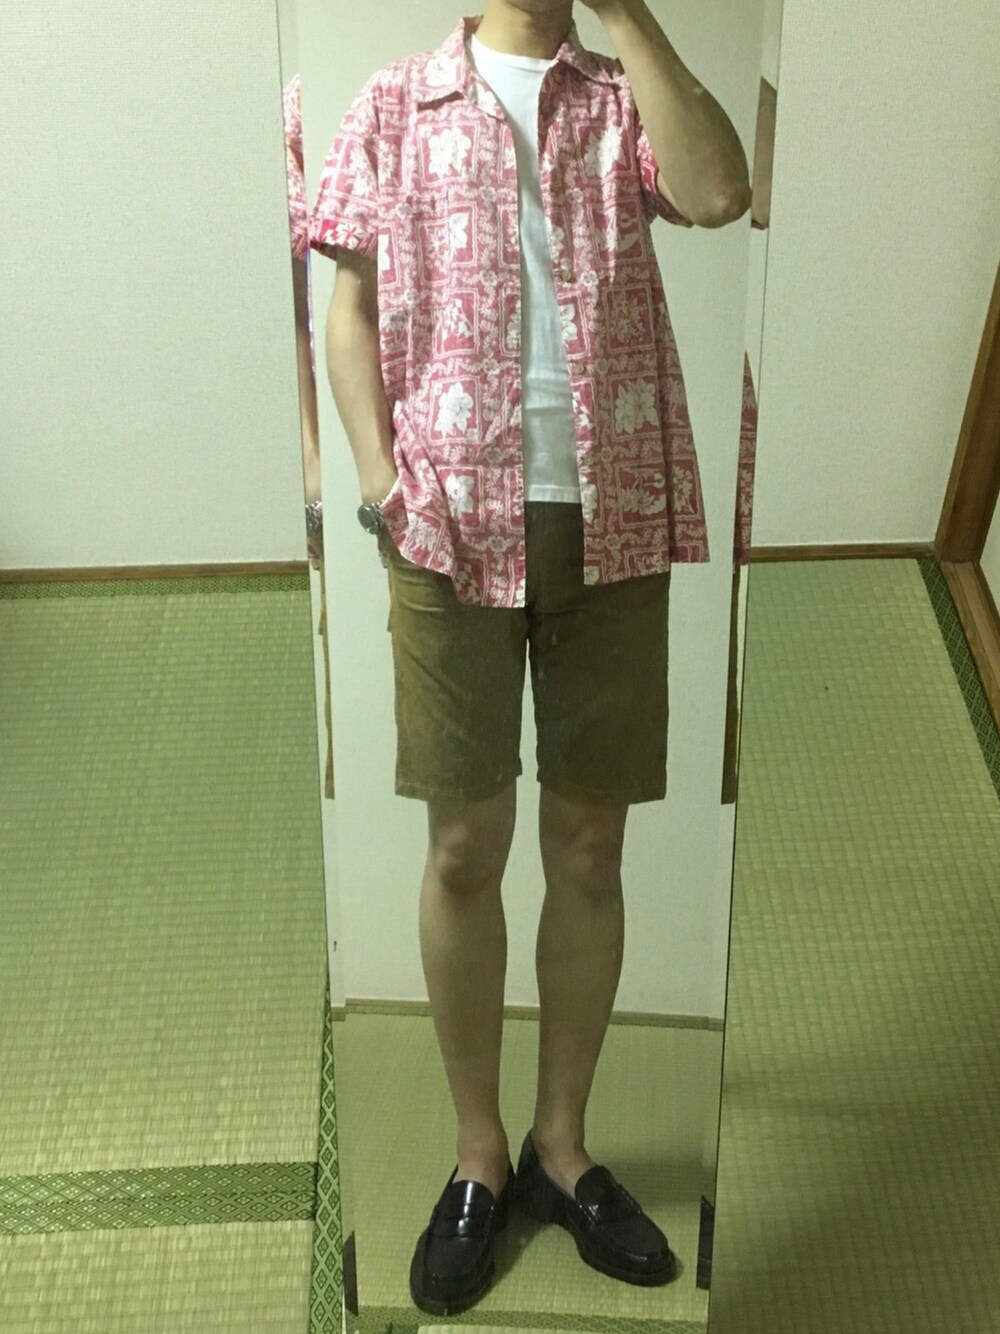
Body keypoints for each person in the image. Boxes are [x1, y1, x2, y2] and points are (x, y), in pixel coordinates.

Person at [310, 1, 750, 1315]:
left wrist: (633, 17)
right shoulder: (394, 103)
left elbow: (720, 191)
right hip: (448, 522)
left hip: (613, 511)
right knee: (463, 846)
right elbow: (346, 314)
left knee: (591, 845)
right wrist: (385, 488)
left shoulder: (618, 97)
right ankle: (478, 1155)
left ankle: (563, 1147)